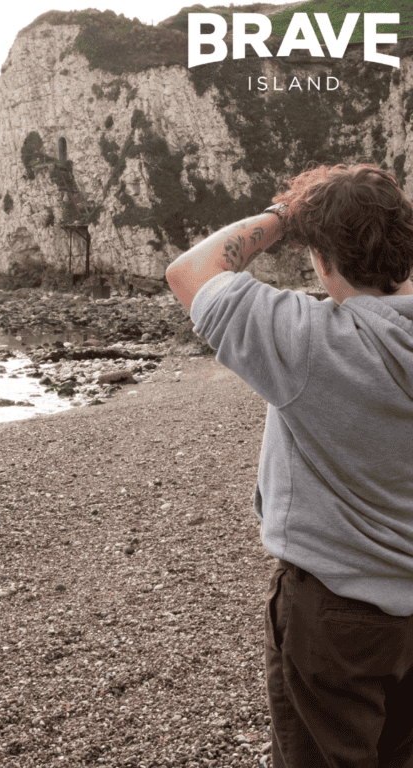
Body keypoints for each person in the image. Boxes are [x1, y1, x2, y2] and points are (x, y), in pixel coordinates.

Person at [165, 163, 413, 767]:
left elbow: (190, 271)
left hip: (333, 610)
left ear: (322, 257)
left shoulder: (311, 343)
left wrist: (286, 215)